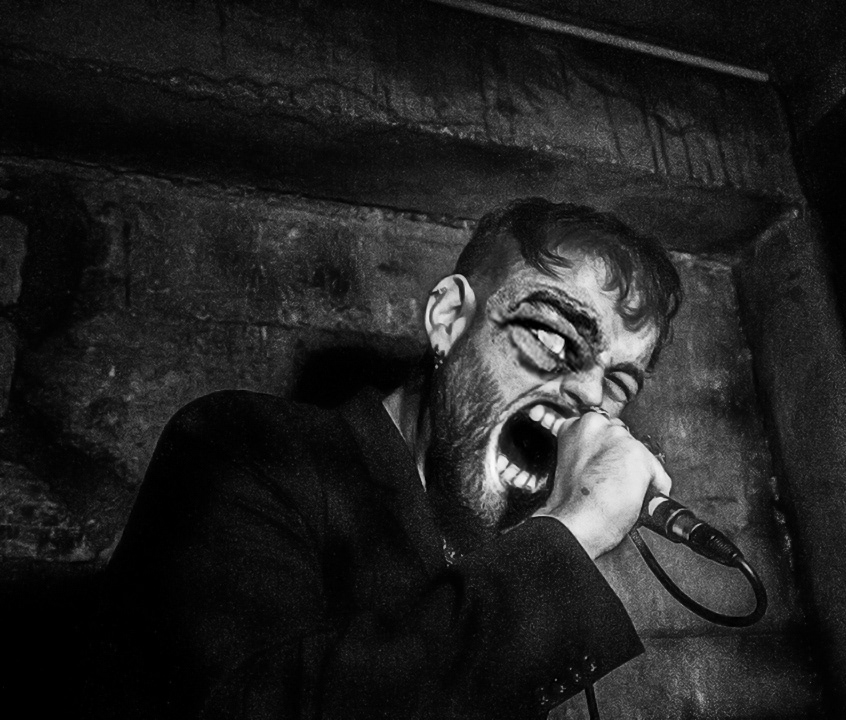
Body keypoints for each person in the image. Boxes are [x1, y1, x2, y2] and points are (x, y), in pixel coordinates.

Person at [95, 198, 683, 719]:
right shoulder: (247, 444)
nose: (589, 394)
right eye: (553, 338)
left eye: (618, 384)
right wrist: (573, 530)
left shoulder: (503, 552)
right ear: (449, 319)